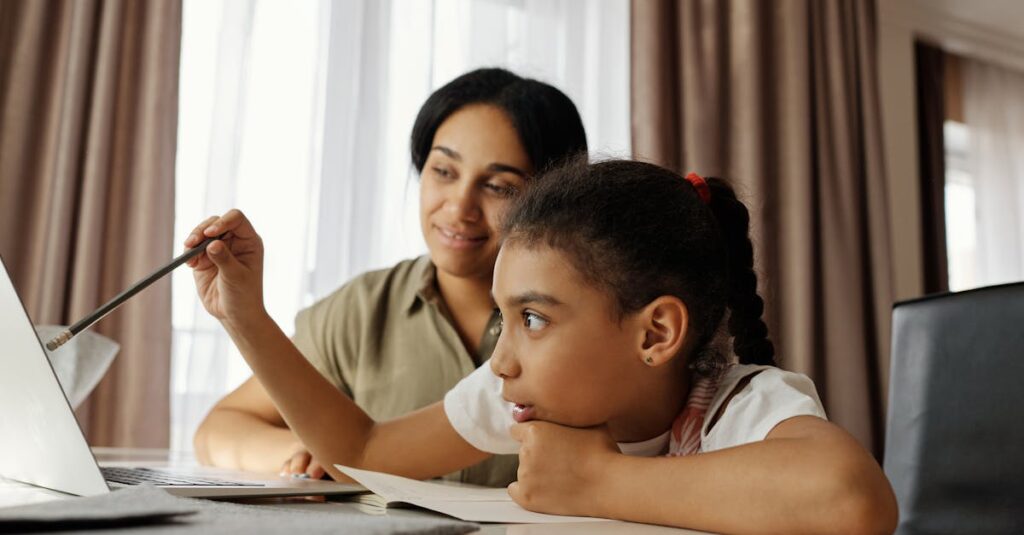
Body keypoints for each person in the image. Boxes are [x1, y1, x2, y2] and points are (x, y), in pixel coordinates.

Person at [186, 158, 898, 533]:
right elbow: (367, 450)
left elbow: (852, 499)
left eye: (533, 318)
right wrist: (244, 315)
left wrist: (600, 482)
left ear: (656, 333)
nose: (500, 359)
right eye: (503, 318)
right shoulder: (522, 395)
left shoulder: (742, 403)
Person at [191, 68, 587, 487]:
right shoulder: (362, 309)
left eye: (498, 186)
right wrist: (304, 452)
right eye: (444, 172)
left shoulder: (581, 326)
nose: (459, 208)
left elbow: (359, 450)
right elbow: (221, 430)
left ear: (553, 199)